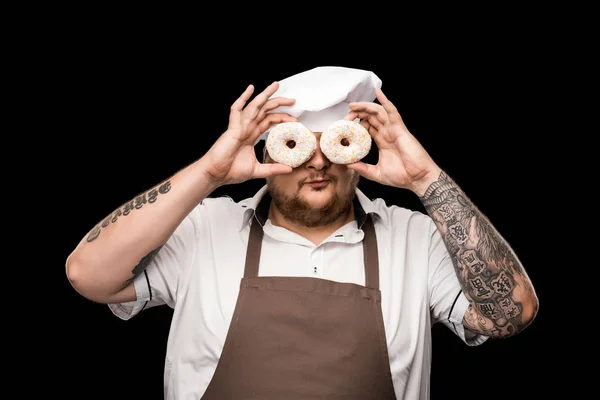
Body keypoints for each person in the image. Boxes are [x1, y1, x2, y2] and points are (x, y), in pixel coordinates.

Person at [65, 66, 539, 399]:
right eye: (298, 143)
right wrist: (209, 172)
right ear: (270, 153)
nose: (317, 161)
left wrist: (425, 178)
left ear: (358, 151)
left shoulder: (413, 239)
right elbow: (88, 274)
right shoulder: (204, 229)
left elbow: (511, 315)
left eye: (334, 143)